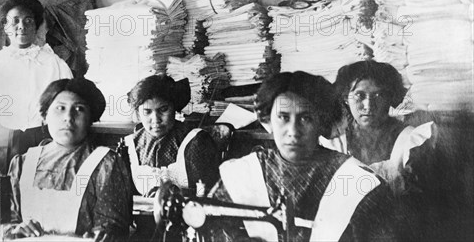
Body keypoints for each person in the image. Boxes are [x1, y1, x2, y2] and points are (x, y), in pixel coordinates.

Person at [205, 71, 397, 241]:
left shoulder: (357, 182)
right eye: (283, 117)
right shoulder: (245, 174)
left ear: (322, 123)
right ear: (267, 121)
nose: (293, 131)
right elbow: (213, 227)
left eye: (306, 118)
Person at [4, 78, 132, 240]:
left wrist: (103, 235)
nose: (68, 117)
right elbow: (5, 223)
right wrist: (16, 230)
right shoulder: (22, 164)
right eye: (60, 108)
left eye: (79, 109)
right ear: (45, 115)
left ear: (91, 117)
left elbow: (115, 228)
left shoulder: (106, 165)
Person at [0, 0, 73, 181]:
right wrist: (6, 129)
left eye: (28, 21)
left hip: (43, 140)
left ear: (36, 25)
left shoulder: (54, 63)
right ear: (5, 26)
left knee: (37, 196)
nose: (21, 26)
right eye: (14, 21)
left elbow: (68, 103)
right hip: (2, 140)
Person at [320, 60, 415, 195]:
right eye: (360, 95)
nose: (369, 105)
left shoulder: (409, 139)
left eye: (379, 95)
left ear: (390, 98)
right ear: (346, 98)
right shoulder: (334, 142)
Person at [124, 74, 220, 196]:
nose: (155, 119)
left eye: (163, 109)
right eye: (147, 112)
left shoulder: (196, 141)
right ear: (138, 113)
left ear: (174, 107)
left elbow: (210, 192)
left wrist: (175, 193)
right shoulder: (131, 145)